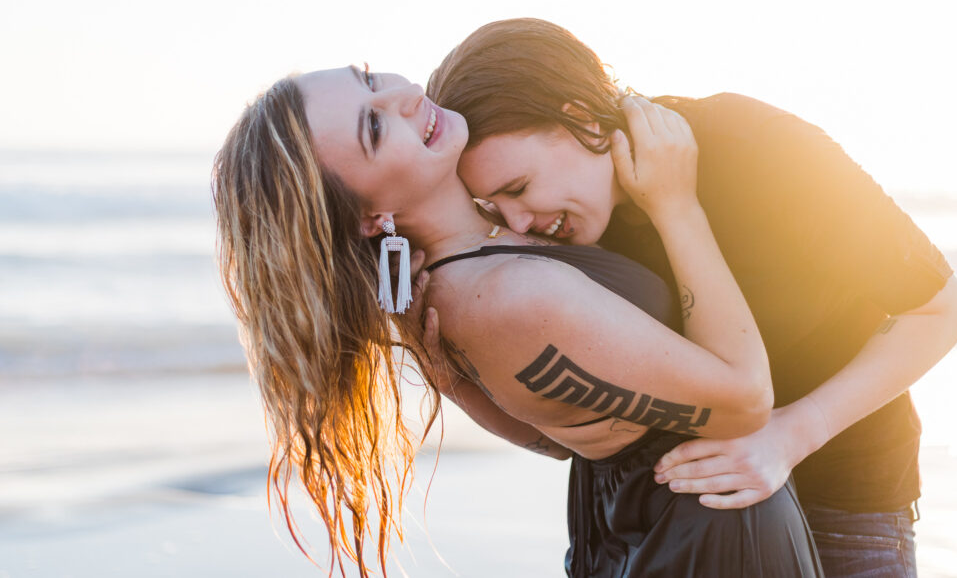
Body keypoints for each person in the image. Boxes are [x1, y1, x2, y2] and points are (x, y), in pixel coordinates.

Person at [212, 67, 824, 577]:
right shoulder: (504, 294)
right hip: (703, 532)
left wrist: (451, 381)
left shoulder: (471, 262)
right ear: (371, 217)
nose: (401, 96)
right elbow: (745, 402)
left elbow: (559, 433)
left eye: (370, 77)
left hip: (663, 520)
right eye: (375, 126)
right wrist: (676, 204)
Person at [425, 18, 957, 578]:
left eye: (517, 188)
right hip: (641, 523)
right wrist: (455, 379)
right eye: (492, 206)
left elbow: (939, 309)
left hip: (841, 509)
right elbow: (567, 439)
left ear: (579, 118)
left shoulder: (752, 146)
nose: (518, 222)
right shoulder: (548, 239)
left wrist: (788, 436)